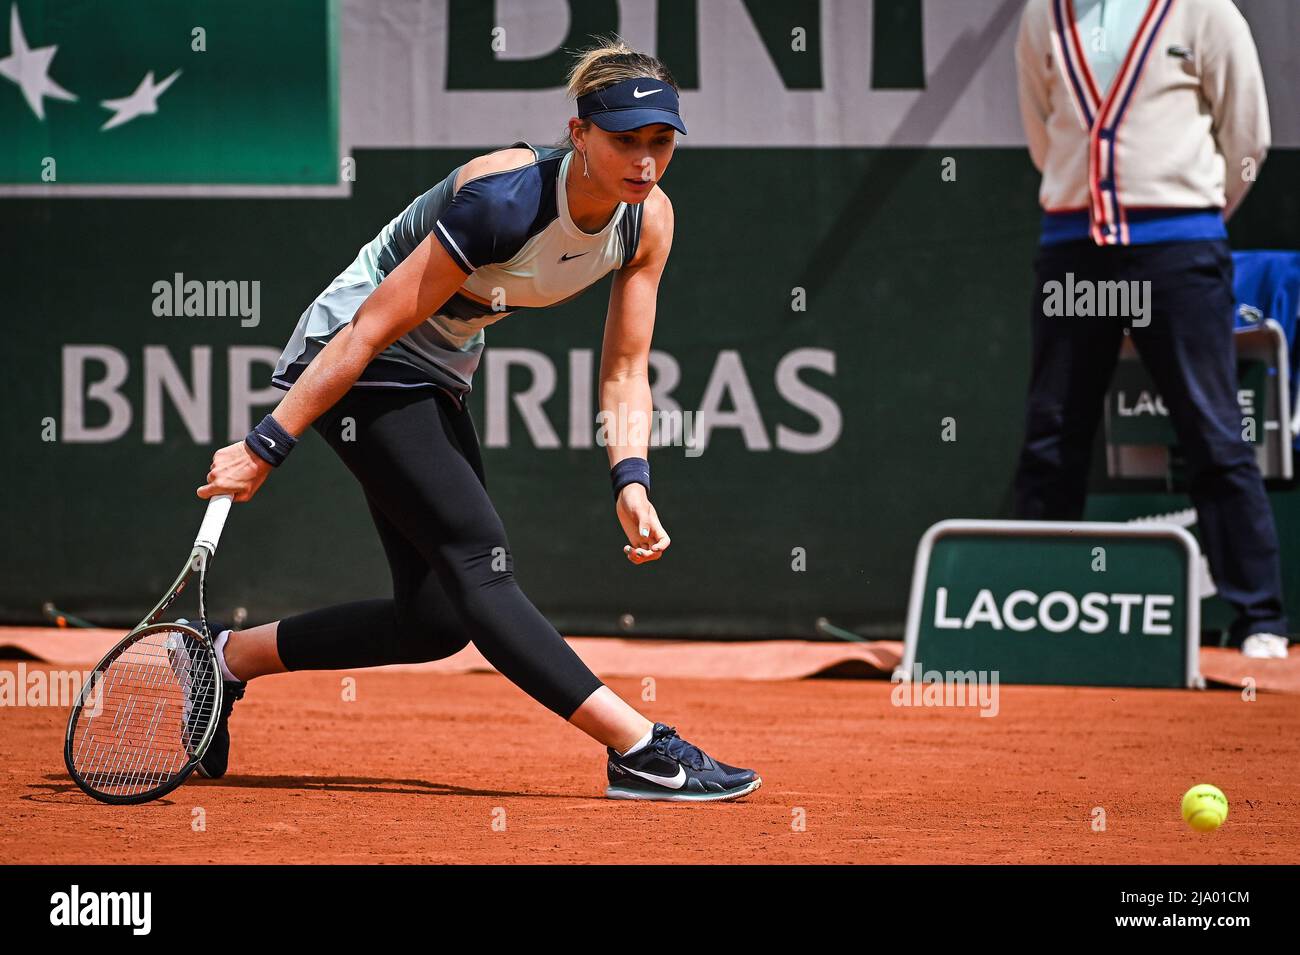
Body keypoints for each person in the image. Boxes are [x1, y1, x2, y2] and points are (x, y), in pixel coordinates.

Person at [193, 38, 762, 801]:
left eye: (660, 142)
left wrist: (631, 477)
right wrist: (266, 443)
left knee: (433, 620)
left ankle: (221, 658)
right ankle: (639, 748)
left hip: (439, 370)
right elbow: (365, 331)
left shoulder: (647, 219)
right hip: (361, 356)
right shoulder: (504, 199)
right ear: (579, 134)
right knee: (478, 559)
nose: (645, 161)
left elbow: (626, 368)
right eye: (625, 141)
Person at [1012, 0, 1288, 658]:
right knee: (1053, 432)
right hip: (1073, 246)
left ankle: (1260, 618)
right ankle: (1026, 617)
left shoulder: (1205, 11)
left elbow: (1247, 138)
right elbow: (1041, 135)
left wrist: (1187, 214)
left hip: (1177, 249)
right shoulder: (1041, 16)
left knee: (1212, 429)